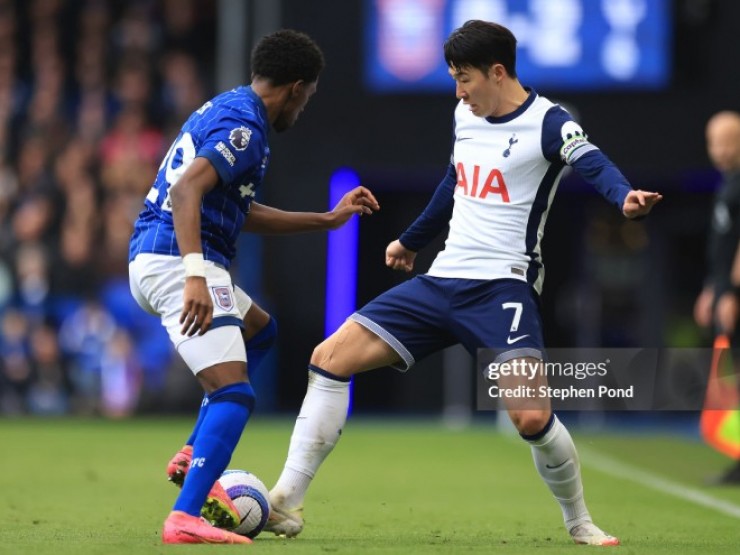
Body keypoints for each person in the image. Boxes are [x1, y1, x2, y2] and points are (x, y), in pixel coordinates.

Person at [264, 20, 661, 546]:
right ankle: (284, 501)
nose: (458, 91)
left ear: (497, 72)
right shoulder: (464, 116)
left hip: (501, 289)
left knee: (530, 417)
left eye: (464, 78)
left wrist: (624, 196)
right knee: (329, 358)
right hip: (442, 280)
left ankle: (579, 521)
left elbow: (592, 162)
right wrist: (409, 241)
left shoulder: (549, 122)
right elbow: (454, 183)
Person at [128, 29, 379, 544]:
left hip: (161, 256)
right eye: (306, 97)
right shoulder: (245, 125)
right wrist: (196, 272)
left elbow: (238, 209)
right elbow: (186, 189)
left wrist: (326, 220)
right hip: (176, 262)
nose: (303, 108)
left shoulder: (230, 108)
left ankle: (192, 452)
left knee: (261, 332)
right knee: (234, 392)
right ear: (294, 87)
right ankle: (184, 518)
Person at [693, 110, 740, 484]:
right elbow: (723, 246)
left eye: (729, 142)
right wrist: (713, 287)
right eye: (716, 143)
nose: (722, 150)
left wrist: (732, 291)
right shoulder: (728, 183)